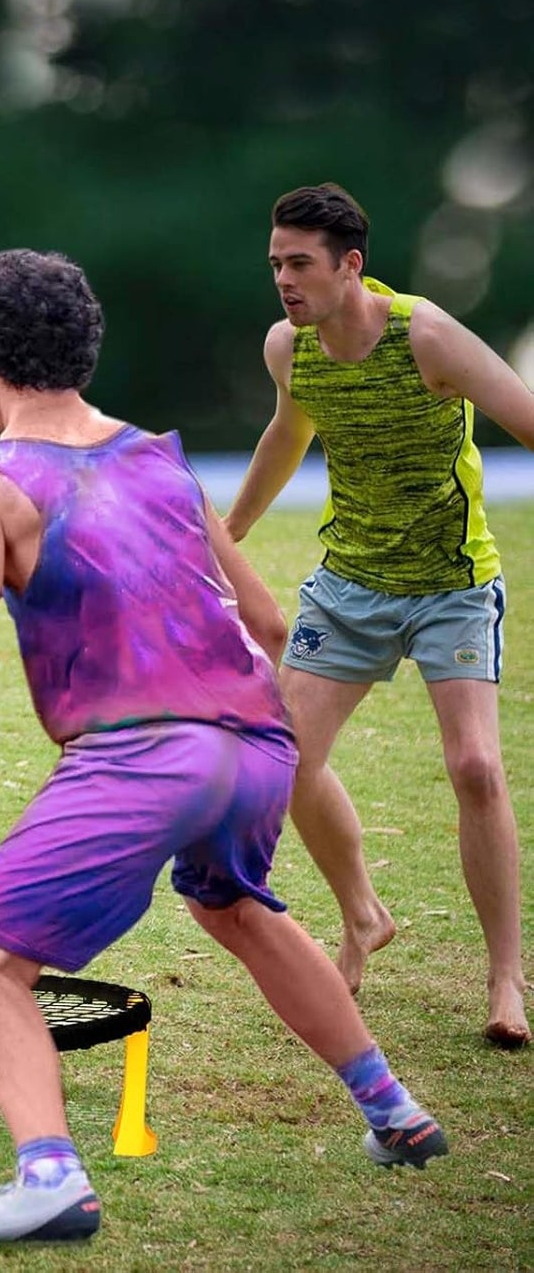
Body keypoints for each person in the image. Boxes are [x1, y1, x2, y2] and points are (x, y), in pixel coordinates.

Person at [0, 249, 448, 1245]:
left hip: (143, 757)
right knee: (233, 903)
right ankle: (392, 1109)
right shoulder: (155, 455)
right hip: (253, 742)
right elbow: (269, 622)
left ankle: (48, 1174)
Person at [225, 183, 530, 1048]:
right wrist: (232, 531)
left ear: (349, 265)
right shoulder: (290, 346)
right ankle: (362, 914)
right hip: (350, 583)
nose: (283, 279)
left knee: (474, 765)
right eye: (276, 263)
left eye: (299, 264)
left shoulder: (425, 335)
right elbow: (288, 431)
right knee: (285, 757)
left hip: (450, 583)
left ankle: (506, 976)